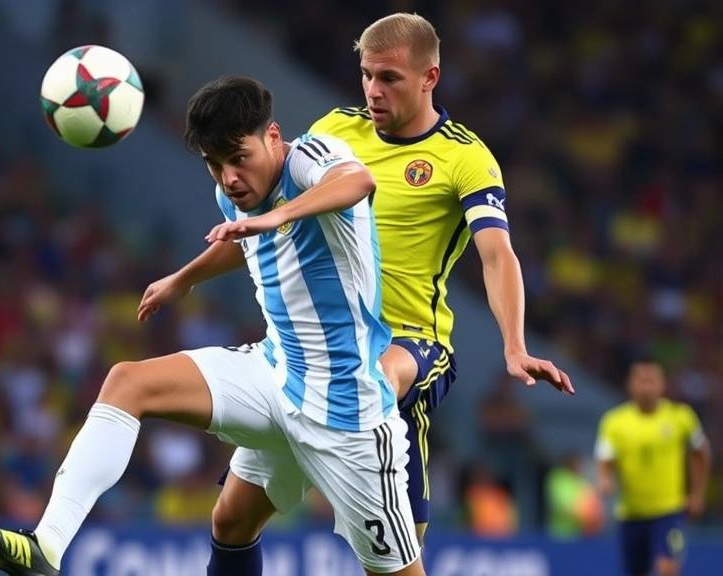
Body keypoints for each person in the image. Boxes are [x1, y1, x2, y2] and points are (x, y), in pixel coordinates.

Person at [140, 12, 575, 575]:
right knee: (230, 522)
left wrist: (513, 345)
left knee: (392, 546)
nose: (373, 89)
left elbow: (497, 255)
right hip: (324, 344)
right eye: (367, 75)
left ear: (429, 78)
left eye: (390, 77)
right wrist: (186, 277)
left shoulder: (464, 157)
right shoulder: (333, 131)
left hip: (411, 345)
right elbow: (265, 221)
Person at [0, 76, 426, 576]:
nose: (228, 178)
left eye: (238, 158)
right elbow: (239, 239)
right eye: (213, 165)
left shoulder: (312, 156)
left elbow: (358, 182)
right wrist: (183, 279)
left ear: (272, 136)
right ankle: (45, 547)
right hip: (276, 373)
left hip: (344, 407)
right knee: (135, 392)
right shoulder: (238, 192)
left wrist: (276, 217)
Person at [595, 359, 711, 576]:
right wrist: (605, 479)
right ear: (630, 384)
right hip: (630, 514)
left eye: (651, 380)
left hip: (668, 512)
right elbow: (605, 458)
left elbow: (700, 453)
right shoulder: (614, 422)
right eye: (641, 380)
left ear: (662, 384)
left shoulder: (681, 418)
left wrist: (696, 493)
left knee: (667, 568)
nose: (646, 386)